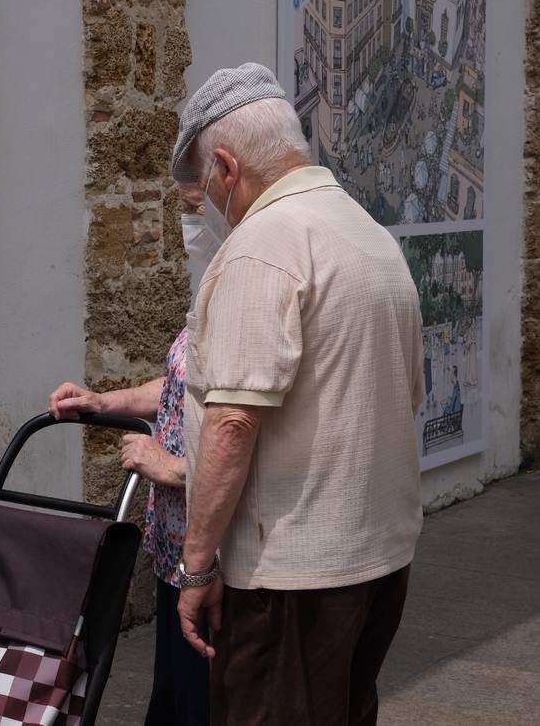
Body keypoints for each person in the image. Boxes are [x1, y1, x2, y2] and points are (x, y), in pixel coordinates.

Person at [169, 64, 423, 725]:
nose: (207, 204)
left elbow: (231, 426)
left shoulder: (264, 246)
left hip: (291, 578)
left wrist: (196, 570)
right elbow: (407, 396)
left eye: (203, 184)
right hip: (376, 562)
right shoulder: (368, 235)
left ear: (225, 167)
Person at [49, 183, 215, 726]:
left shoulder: (249, 291)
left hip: (212, 558)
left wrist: (170, 466)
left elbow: (252, 434)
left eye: (195, 209)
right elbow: (176, 385)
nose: (187, 223)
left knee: (200, 703)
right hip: (174, 552)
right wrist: (101, 400)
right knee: (169, 698)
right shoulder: (212, 286)